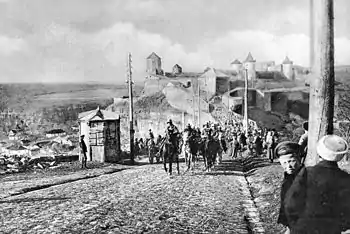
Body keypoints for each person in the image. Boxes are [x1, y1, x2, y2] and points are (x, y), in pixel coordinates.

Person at [284, 135, 350, 234]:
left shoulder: (306, 173)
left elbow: (290, 203)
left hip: (302, 228)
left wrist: (292, 223)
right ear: (341, 156)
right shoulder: (346, 178)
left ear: (320, 152)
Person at [275, 141, 303, 234]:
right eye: (284, 162)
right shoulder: (288, 177)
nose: (288, 166)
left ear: (299, 159)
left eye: (291, 161)